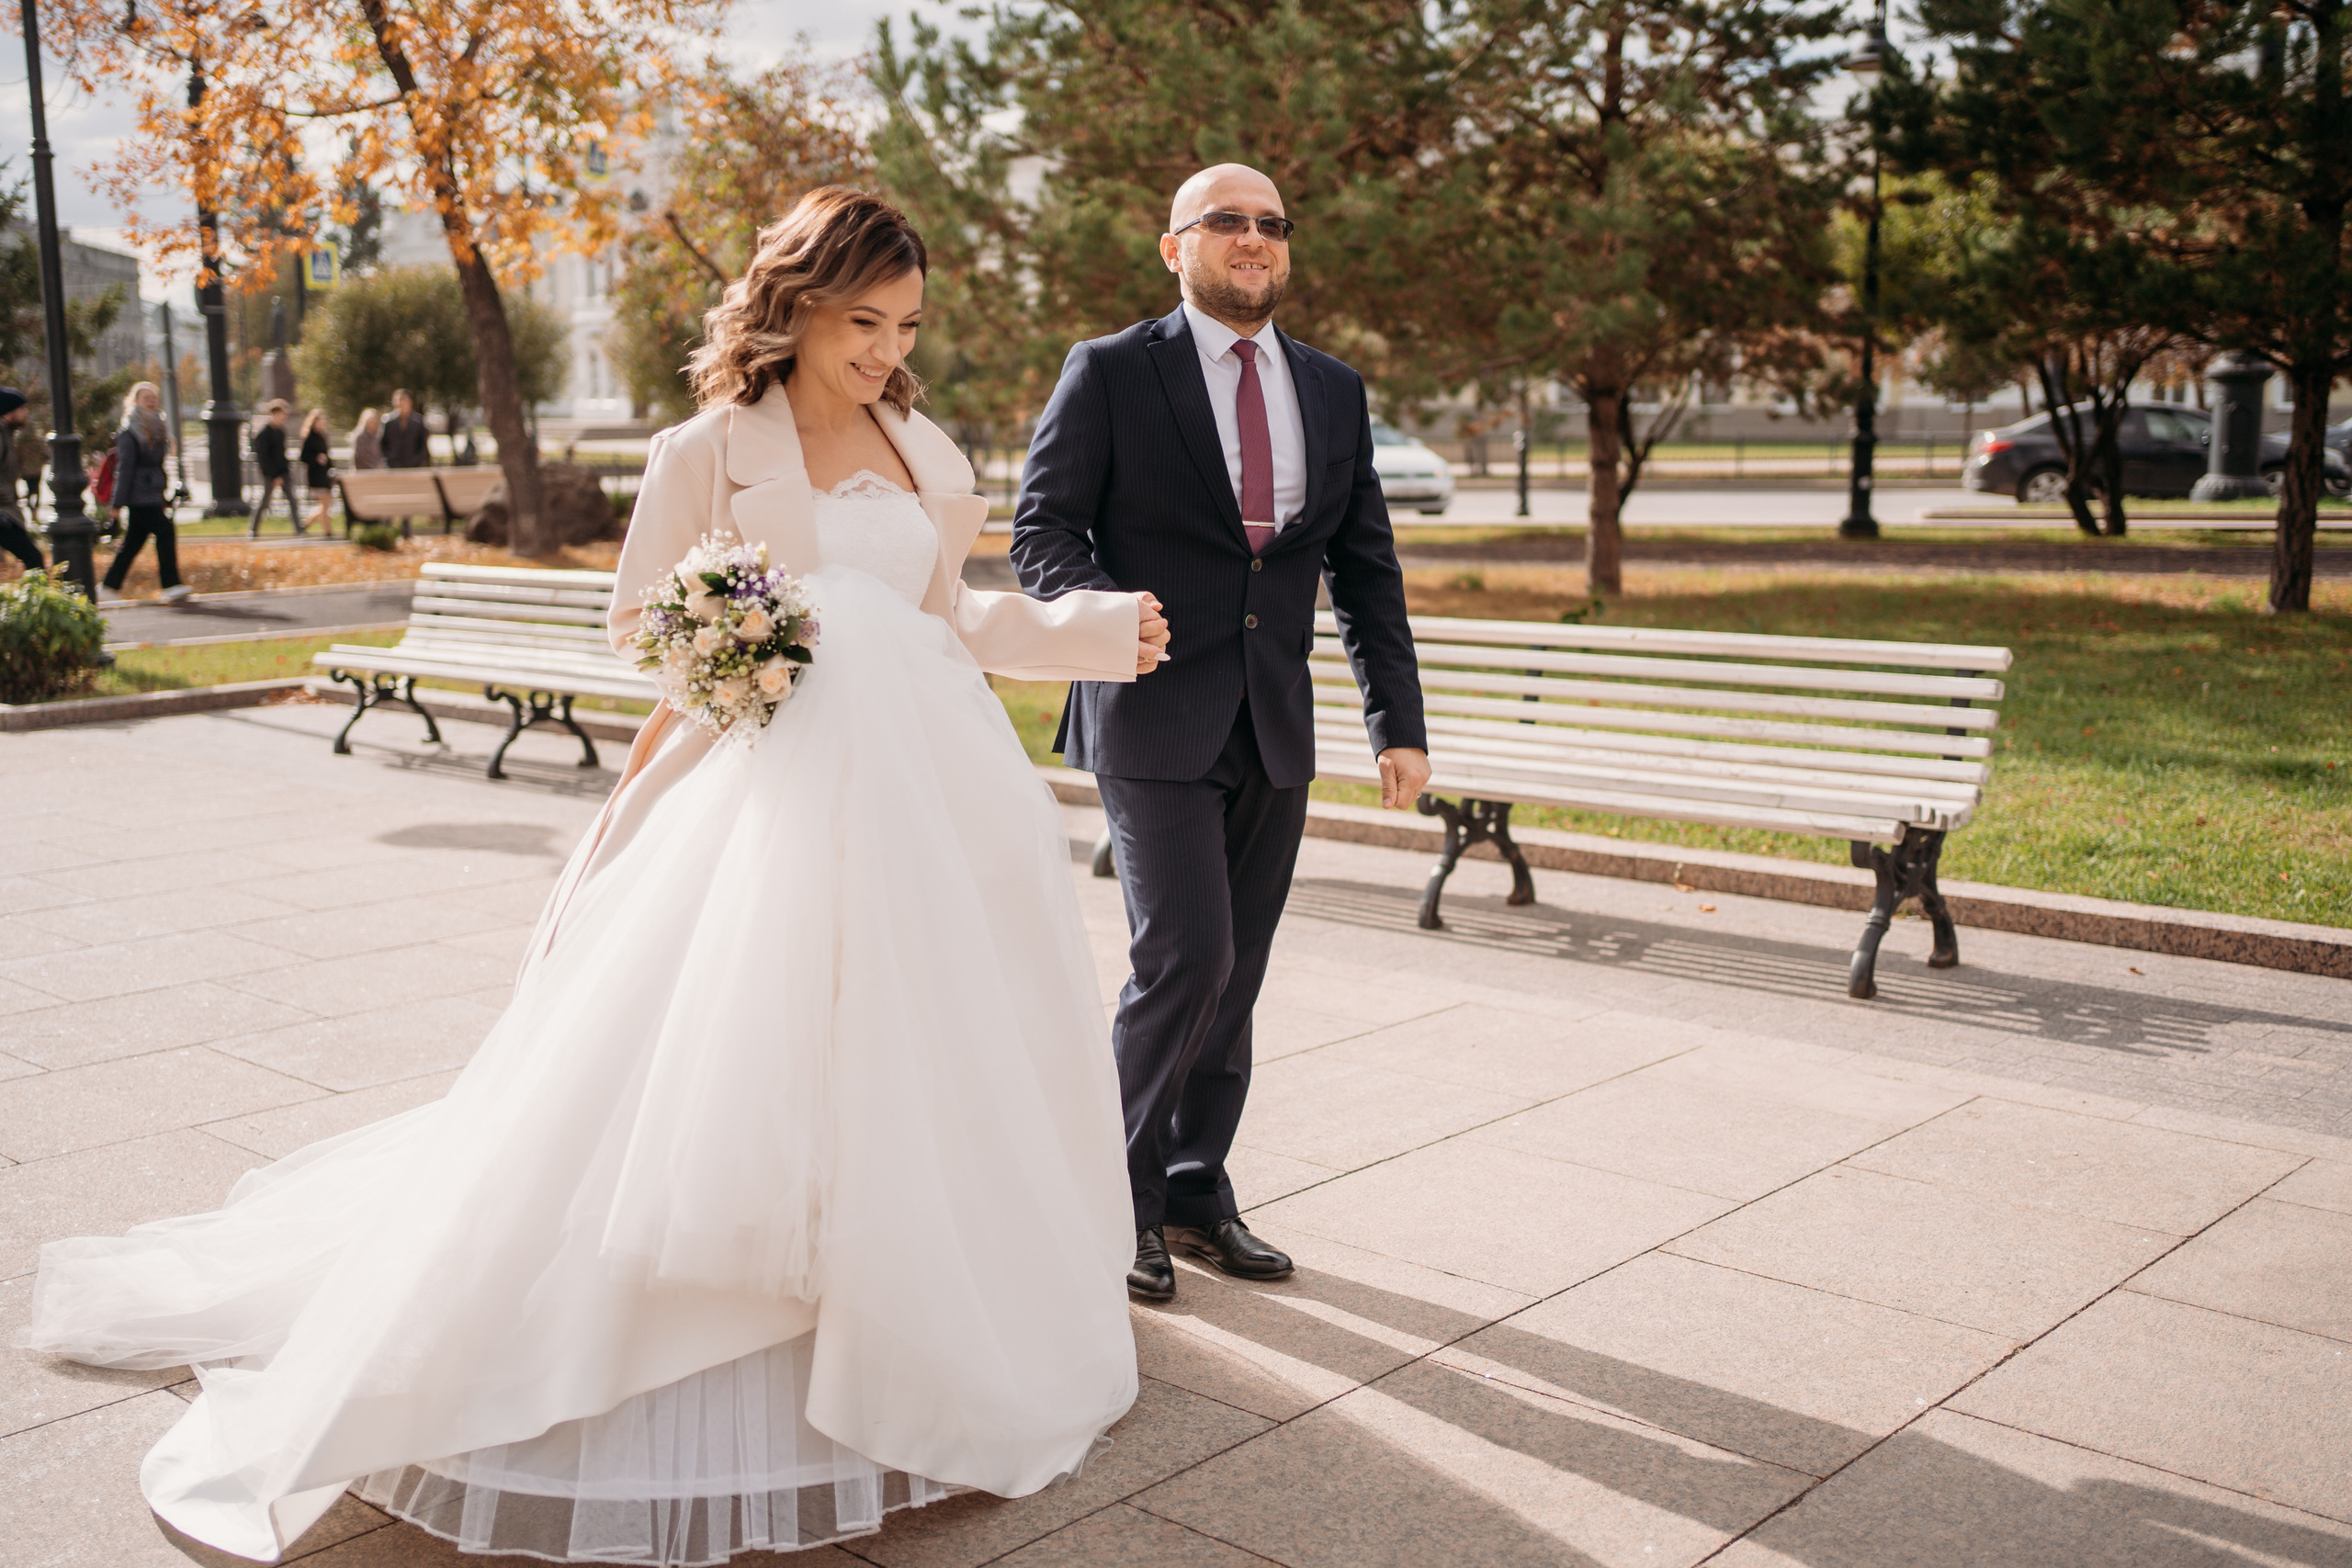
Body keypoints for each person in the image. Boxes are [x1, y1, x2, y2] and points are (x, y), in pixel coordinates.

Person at [25, 187, 1169, 1565]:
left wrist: (1092, 629)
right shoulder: (710, 445)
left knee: (914, 1059)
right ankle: (721, 1321)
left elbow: (960, 615)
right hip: (760, 798)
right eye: (863, 321)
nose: (885, 349)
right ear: (796, 306)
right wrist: (744, 642)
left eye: (906, 324)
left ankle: (909, 1326)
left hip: (932, 801)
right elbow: (644, 617)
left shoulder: (918, 443)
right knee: (727, 1063)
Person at [1012, 164, 1430, 1302]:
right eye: (1228, 222)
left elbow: (1364, 566)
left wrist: (1396, 718)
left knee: (1233, 974)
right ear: (1175, 247)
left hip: (1272, 720)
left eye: (1271, 224)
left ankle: (1197, 1190)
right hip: (1149, 708)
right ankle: (1116, 1198)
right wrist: (1105, 614)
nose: (1254, 238)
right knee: (1183, 956)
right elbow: (1042, 525)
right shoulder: (1109, 371)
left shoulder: (1333, 389)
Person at [99, 382, 188, 603]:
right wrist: (116, 504)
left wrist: (163, 495)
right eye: (146, 397)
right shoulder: (129, 432)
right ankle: (171, 585)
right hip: (138, 495)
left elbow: (157, 466)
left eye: (154, 397)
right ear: (135, 401)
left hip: (152, 492)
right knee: (165, 531)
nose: (151, 401)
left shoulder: (158, 427)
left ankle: (108, 588)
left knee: (133, 542)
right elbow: (124, 468)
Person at [0, 387, 42, 575]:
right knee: (34, 559)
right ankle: (39, 602)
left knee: (33, 559)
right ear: (9, 411)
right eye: (23, 408)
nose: (27, 413)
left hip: (6, 512)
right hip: (3, 513)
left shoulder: (6, 434)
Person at [249, 398, 300, 536]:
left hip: (284, 472)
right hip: (270, 474)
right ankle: (253, 529)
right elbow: (263, 458)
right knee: (265, 502)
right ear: (275, 413)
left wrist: (285, 470)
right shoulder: (264, 434)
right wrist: (274, 475)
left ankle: (298, 528)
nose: (284, 417)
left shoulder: (281, 432)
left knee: (292, 501)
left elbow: (281, 454)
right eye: (282, 414)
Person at [298, 409, 335, 535]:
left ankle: (306, 523)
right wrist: (316, 458)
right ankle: (327, 530)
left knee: (326, 503)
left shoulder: (322, 437)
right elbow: (303, 457)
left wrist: (330, 467)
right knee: (325, 502)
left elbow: (327, 455)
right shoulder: (309, 437)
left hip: (324, 474)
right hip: (315, 475)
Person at [380, 388, 430, 468]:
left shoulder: (418, 421)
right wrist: (389, 459)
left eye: (404, 400)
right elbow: (382, 444)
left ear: (410, 402)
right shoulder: (387, 421)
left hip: (413, 466)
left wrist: (416, 460)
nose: (401, 403)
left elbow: (423, 446)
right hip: (393, 466)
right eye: (398, 400)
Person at [351, 406, 385, 470]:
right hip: (363, 471)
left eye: (375, 422)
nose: (373, 425)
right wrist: (375, 467)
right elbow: (361, 456)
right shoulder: (360, 437)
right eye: (371, 422)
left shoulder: (377, 438)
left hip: (376, 472)